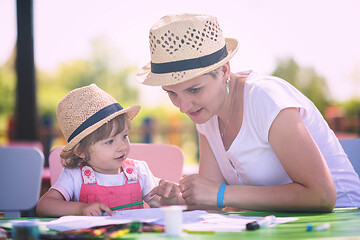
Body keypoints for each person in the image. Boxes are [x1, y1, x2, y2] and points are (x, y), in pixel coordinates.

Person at [136, 13, 360, 212]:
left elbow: (321, 195)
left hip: (343, 219)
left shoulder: (266, 98)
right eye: (171, 93)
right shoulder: (205, 113)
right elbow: (210, 199)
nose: (183, 107)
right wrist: (176, 200)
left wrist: (221, 193)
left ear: (224, 70)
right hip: (278, 226)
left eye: (194, 89)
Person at [36, 84, 181, 217]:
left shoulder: (139, 171)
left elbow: (161, 207)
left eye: (124, 136)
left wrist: (169, 198)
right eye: (110, 141)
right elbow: (44, 206)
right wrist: (80, 209)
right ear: (81, 151)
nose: (122, 146)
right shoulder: (74, 176)